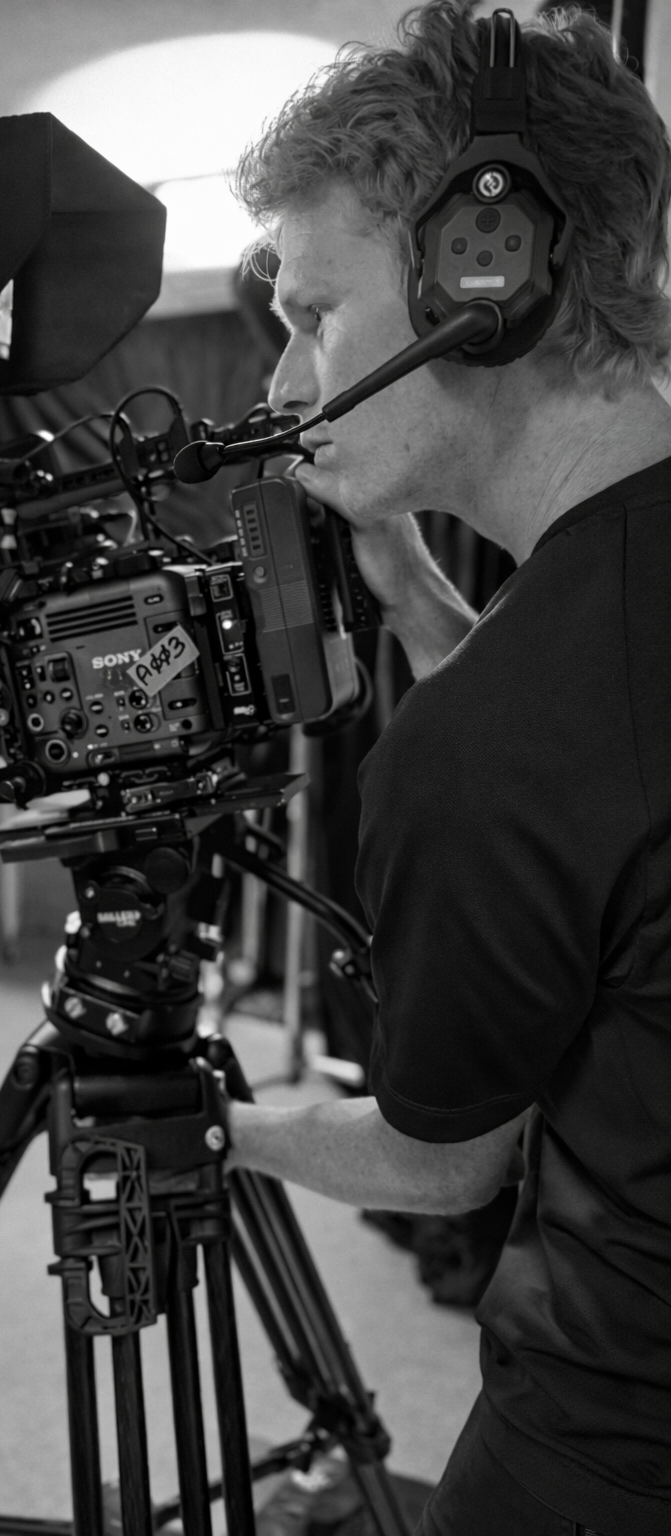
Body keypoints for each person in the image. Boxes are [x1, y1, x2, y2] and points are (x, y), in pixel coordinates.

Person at [227, 5, 671, 1534]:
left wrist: (217, 1122)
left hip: (608, 1454)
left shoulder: (495, 747)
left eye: (313, 315)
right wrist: (419, 602)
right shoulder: (592, 643)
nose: (286, 386)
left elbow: (441, 1166)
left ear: (485, 280)